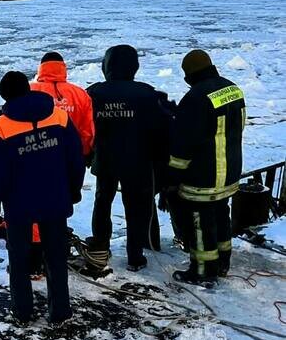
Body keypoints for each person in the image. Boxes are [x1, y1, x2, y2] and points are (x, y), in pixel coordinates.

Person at [0, 71, 85, 325]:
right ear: (28, 89)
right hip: (55, 198)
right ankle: (60, 312)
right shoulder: (59, 116)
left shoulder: (1, 128)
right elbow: (75, 159)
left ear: (4, 96)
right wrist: (74, 190)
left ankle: (22, 312)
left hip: (19, 204)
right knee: (56, 258)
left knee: (18, 261)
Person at [83, 45, 170, 276]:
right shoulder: (147, 93)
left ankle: (101, 249)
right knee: (136, 208)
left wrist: (87, 155)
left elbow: (83, 127)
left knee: (103, 202)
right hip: (137, 161)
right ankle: (135, 256)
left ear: (106, 65)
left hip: (105, 160)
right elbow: (161, 129)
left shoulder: (93, 93)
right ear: (134, 66)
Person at [168, 50, 245, 284]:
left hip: (203, 176)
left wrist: (172, 174)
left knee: (200, 223)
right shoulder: (233, 89)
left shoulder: (196, 98)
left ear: (189, 74)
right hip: (229, 171)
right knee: (221, 214)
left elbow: (184, 144)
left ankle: (202, 270)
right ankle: (223, 262)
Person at [31, 51, 95, 158]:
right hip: (71, 155)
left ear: (41, 68)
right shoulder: (79, 93)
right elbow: (87, 129)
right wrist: (84, 152)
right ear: (63, 68)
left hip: (36, 155)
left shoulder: (29, 91)